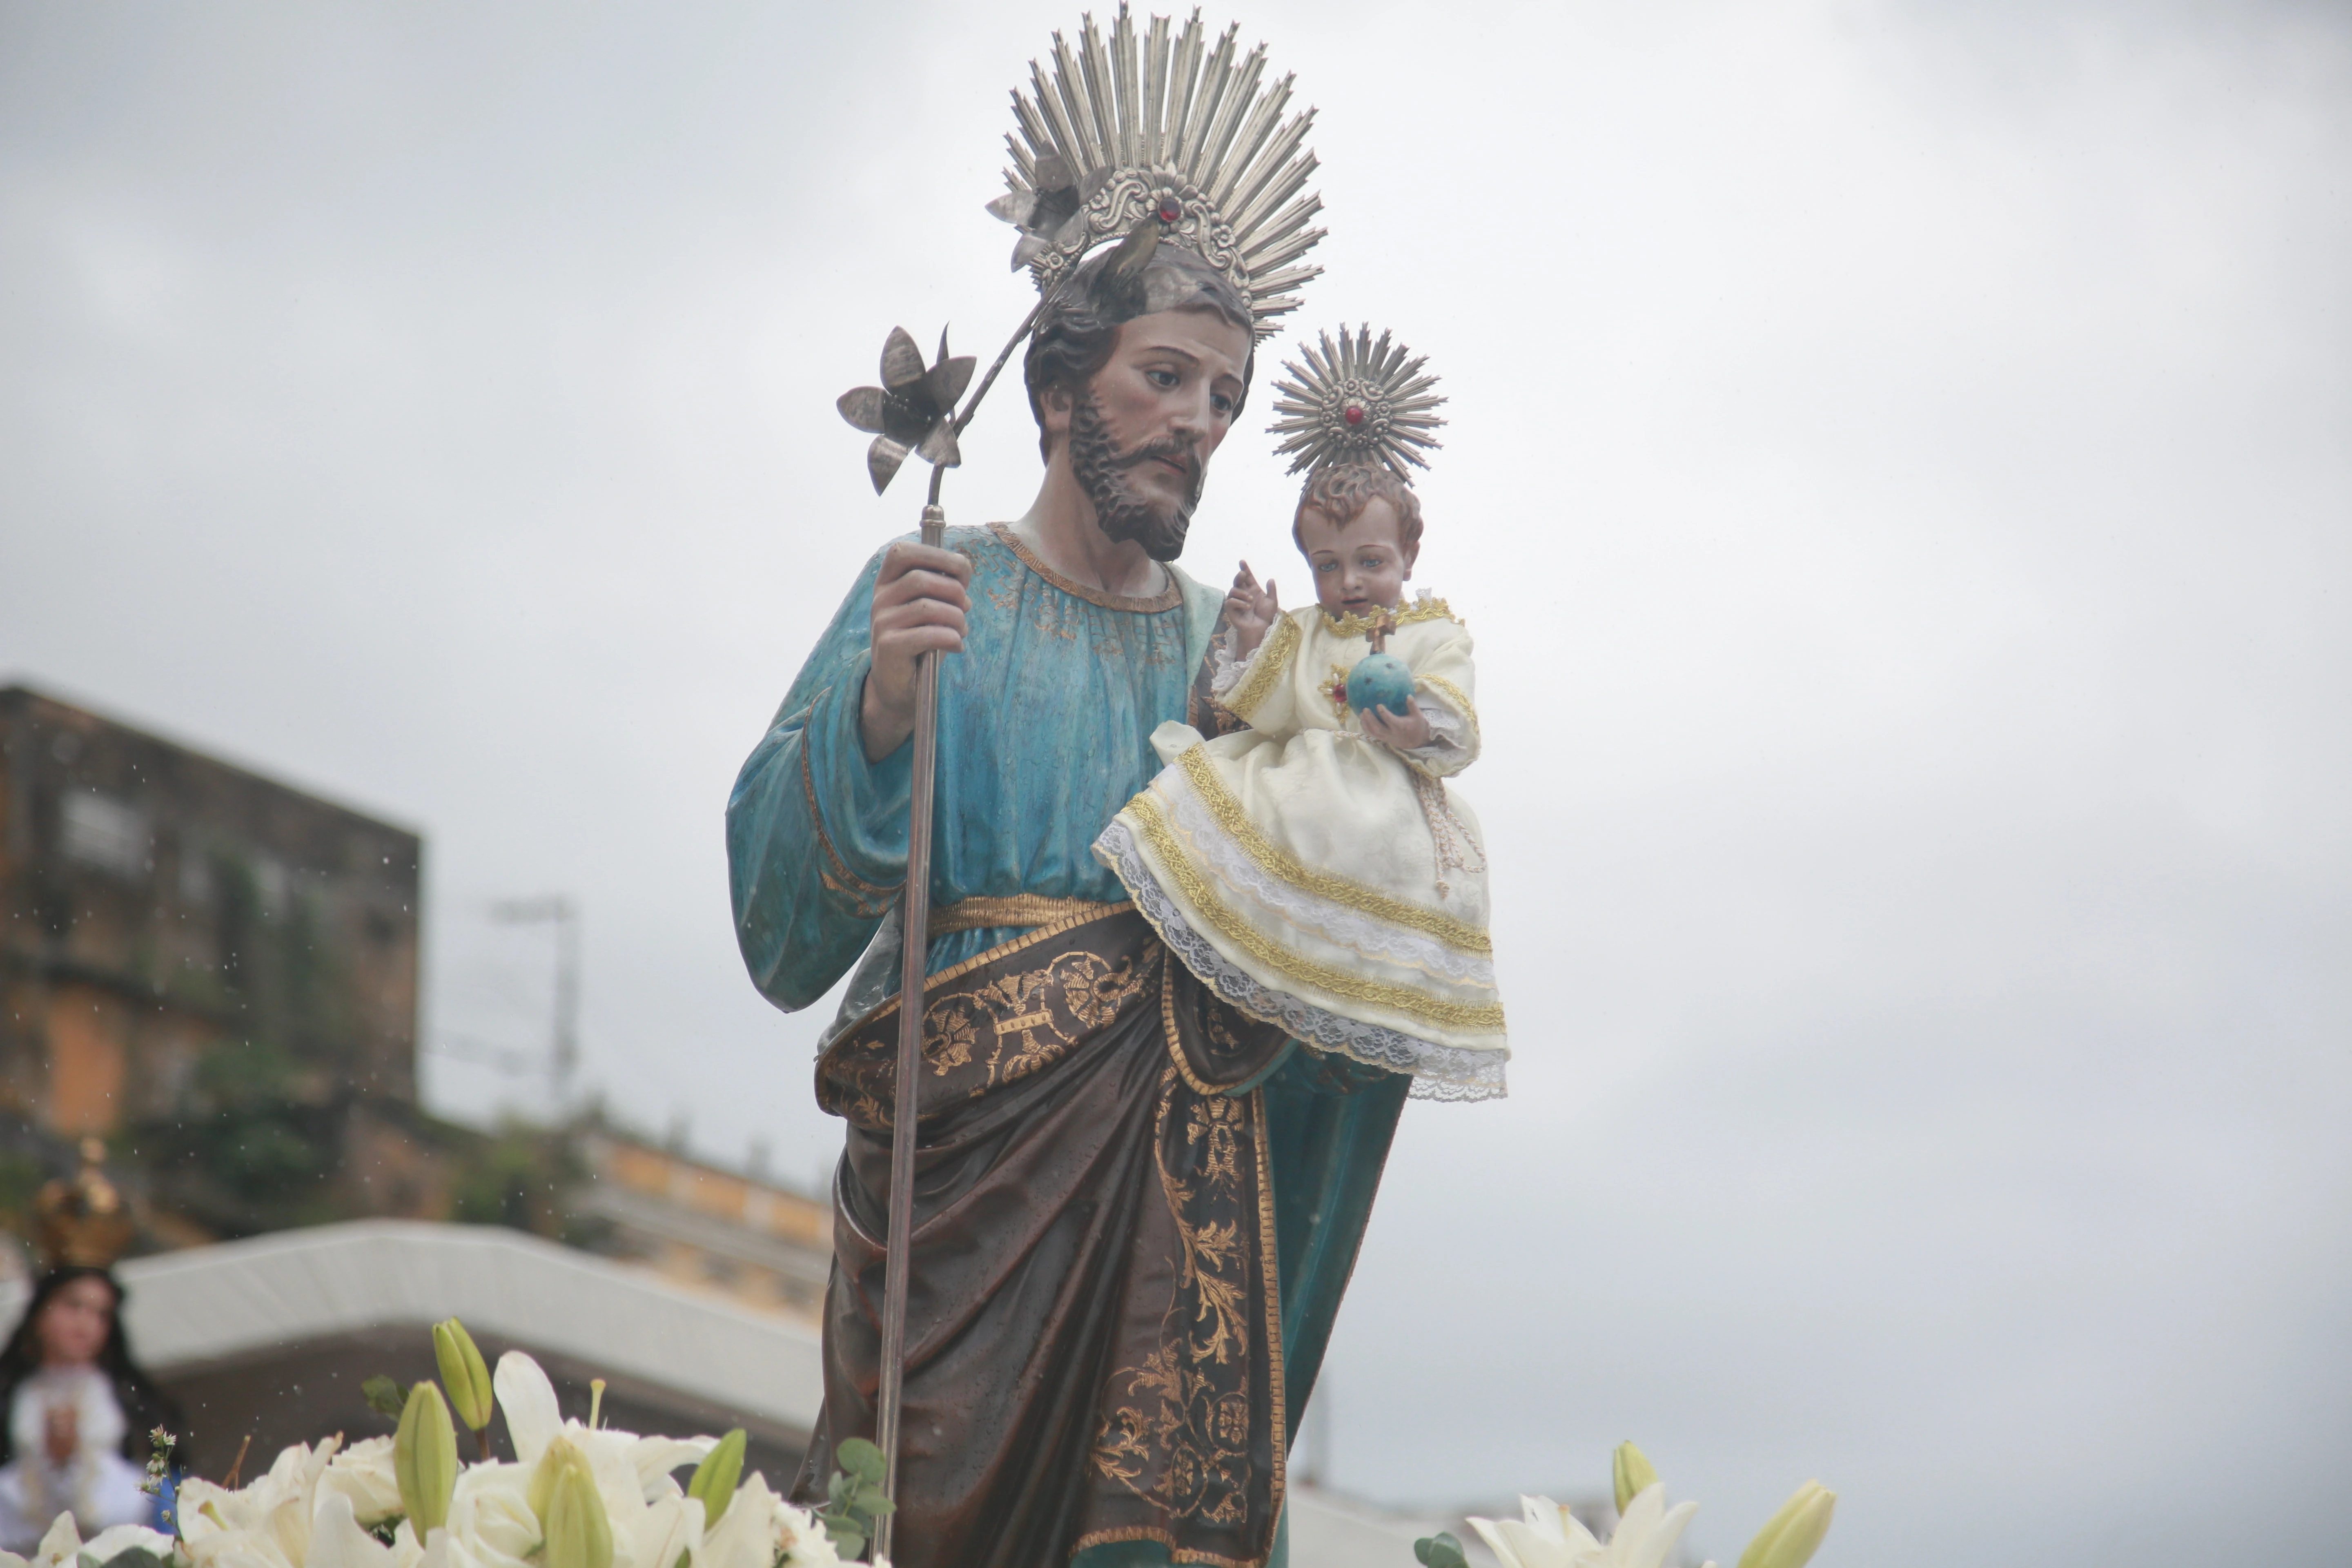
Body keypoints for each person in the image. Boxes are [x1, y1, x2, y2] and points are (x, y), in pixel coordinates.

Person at [728, 229, 1418, 1563]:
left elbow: (1326, 944)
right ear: (1056, 394)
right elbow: (779, 933)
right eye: (1163, 377)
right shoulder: (938, 593)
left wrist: (1366, 794)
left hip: (1181, 1213)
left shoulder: (1251, 647)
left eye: (1222, 397)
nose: (1196, 425)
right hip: (955, 1204)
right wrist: (879, 711)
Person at [1094, 449, 1508, 1101]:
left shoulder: (1434, 634)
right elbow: (1274, 709)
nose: (1349, 583)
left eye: (1370, 562)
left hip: (1384, 801)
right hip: (1300, 787)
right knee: (1235, 813)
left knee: (1383, 861)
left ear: (1410, 552)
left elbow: (1452, 719)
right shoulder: (1306, 630)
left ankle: (1350, 991)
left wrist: (1416, 729)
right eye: (1328, 566)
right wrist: (1258, 639)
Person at [0, 1146, 177, 1553]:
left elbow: (120, 1503)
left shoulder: (120, 1401)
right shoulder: (17, 1394)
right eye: (73, 1306)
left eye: (99, 1314)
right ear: (40, 1312)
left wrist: (71, 1459)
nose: (85, 1324)